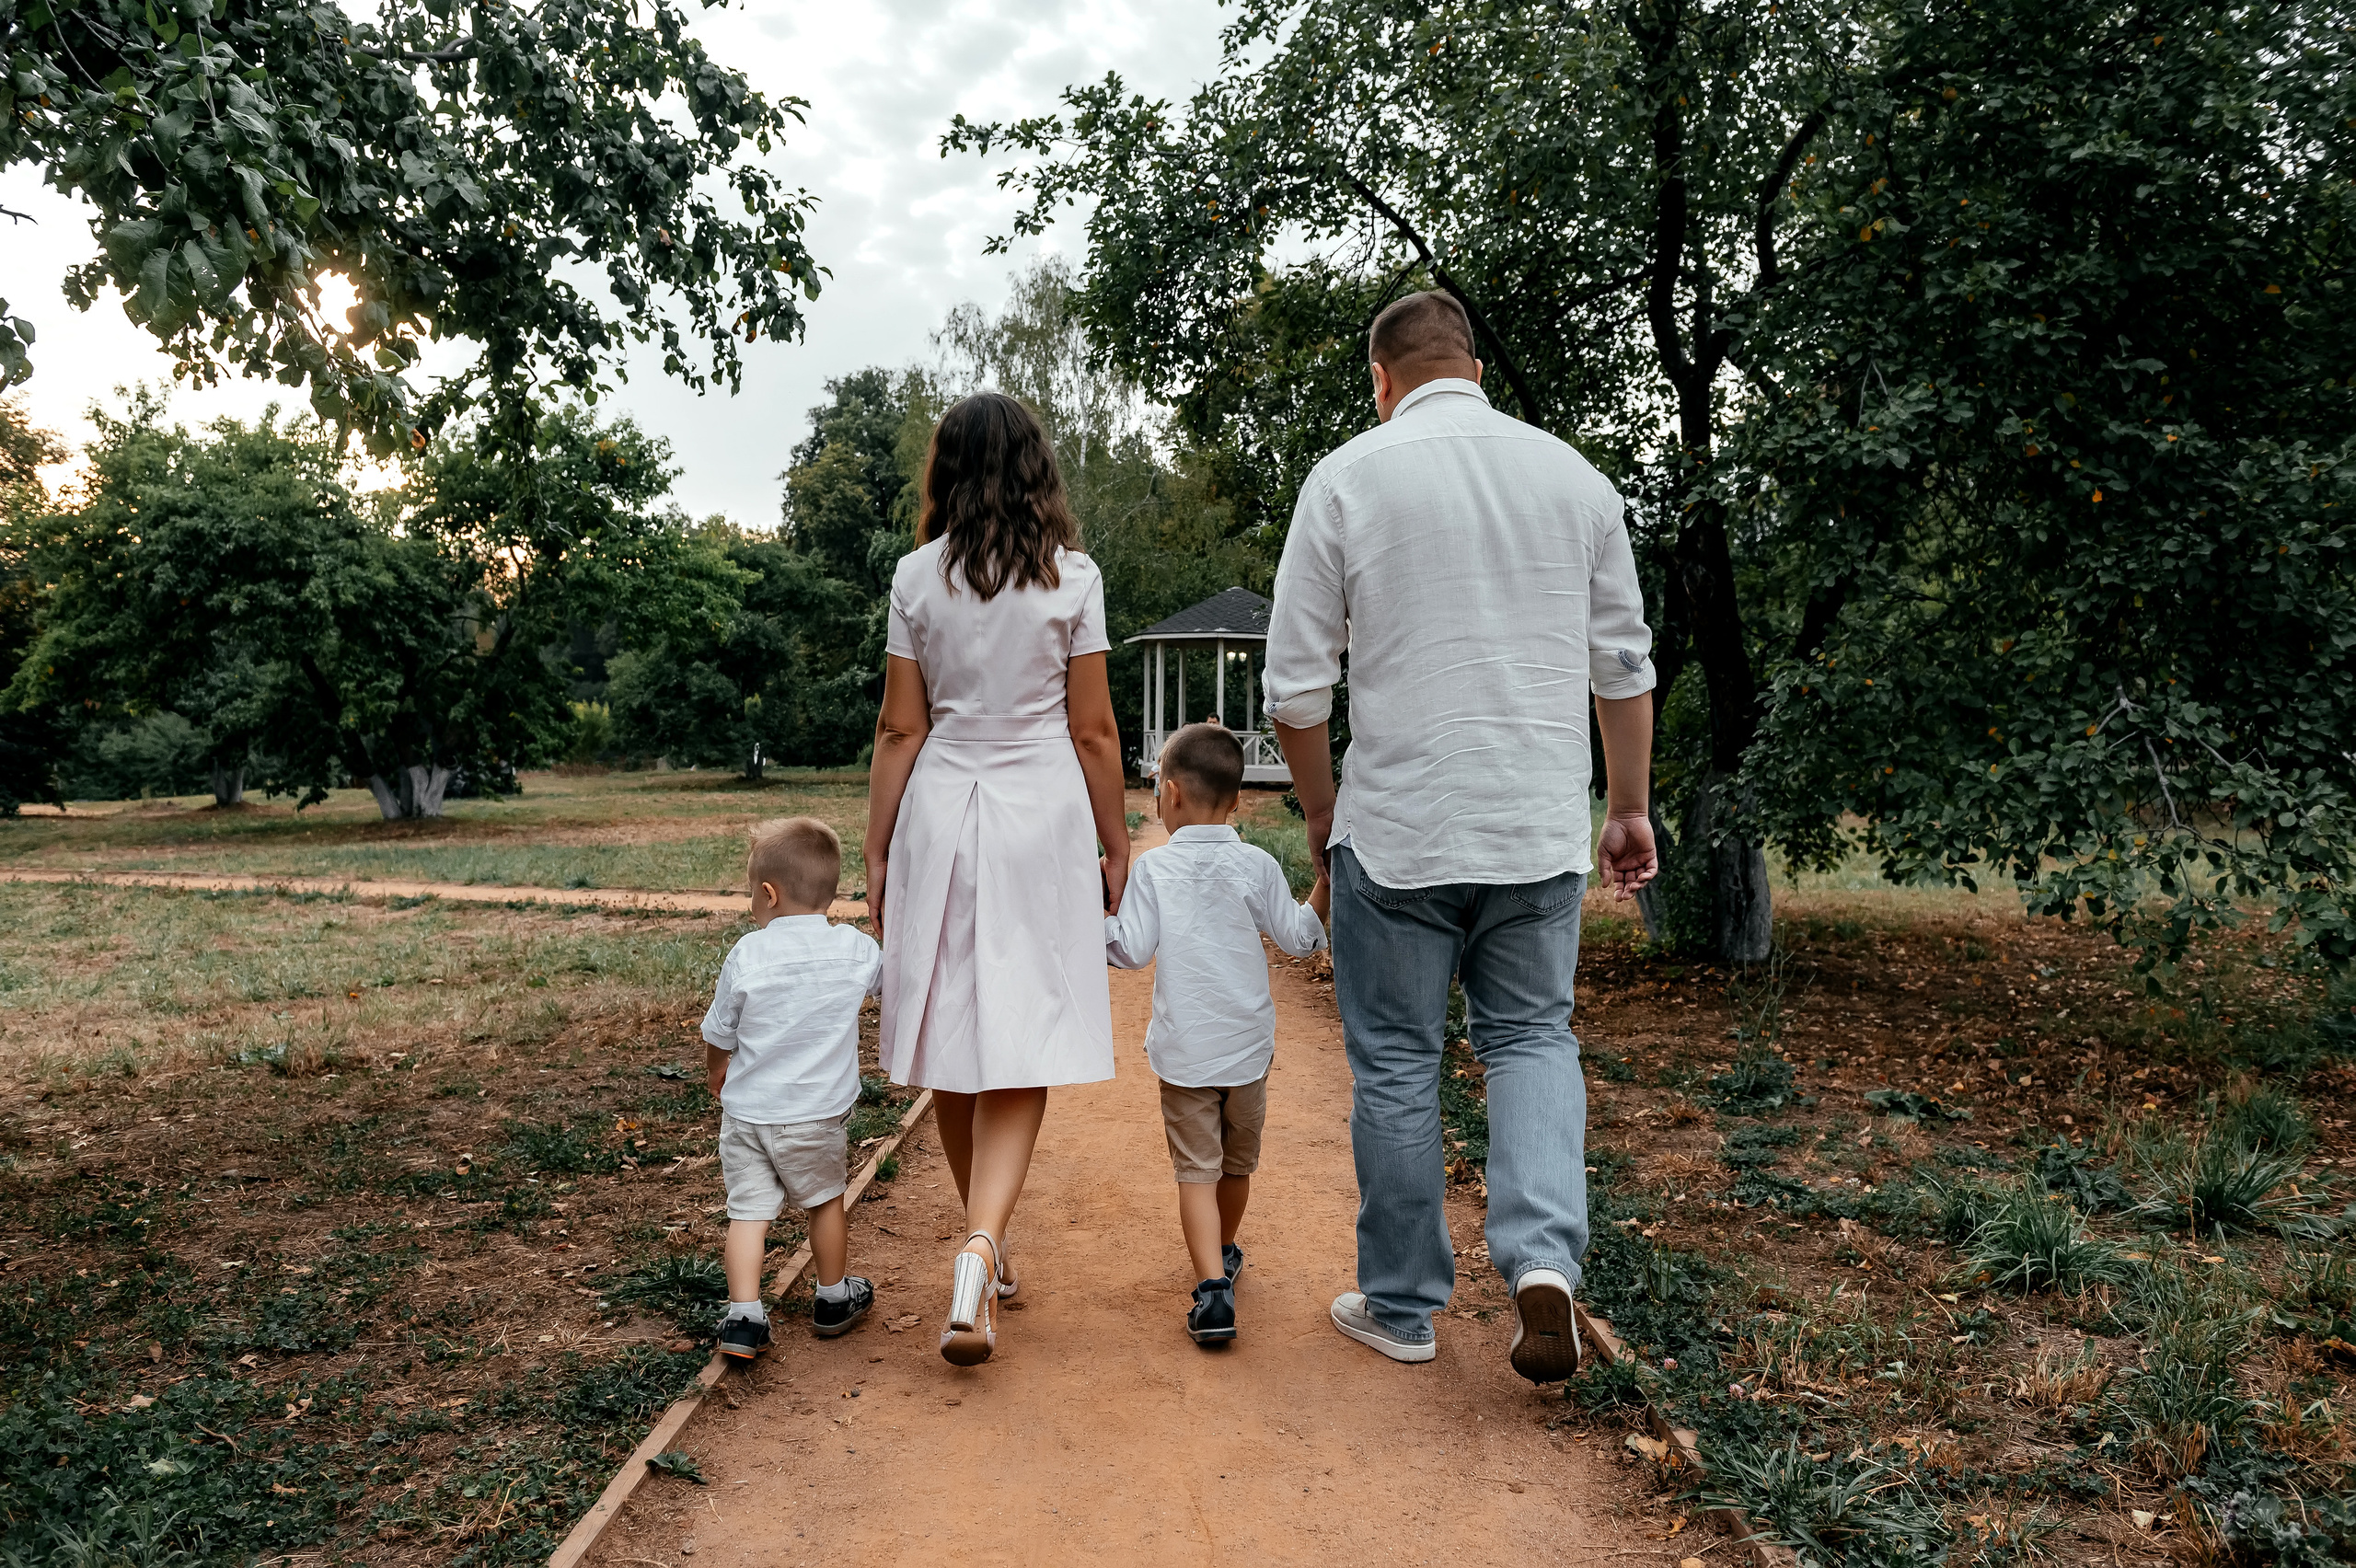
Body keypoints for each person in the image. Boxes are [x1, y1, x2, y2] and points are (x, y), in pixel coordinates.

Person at [1262, 290, 1660, 1380]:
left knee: (1397, 1059)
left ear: (1380, 381)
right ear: (1474, 369)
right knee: (1531, 1038)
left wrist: (1324, 817)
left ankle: (1401, 1307)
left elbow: (1296, 690)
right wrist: (1625, 806)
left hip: (1397, 829)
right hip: (1534, 828)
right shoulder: (1574, 479)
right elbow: (1622, 665)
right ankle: (1542, 1265)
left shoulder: (1348, 477)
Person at [864, 391, 1129, 1368]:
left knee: (952, 1028)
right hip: (1040, 814)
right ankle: (981, 1247)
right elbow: (1093, 729)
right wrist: (1115, 841)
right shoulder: (1075, 577)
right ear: (1035, 468)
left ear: (945, 469)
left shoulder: (913, 578)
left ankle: (986, 1242)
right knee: (1018, 1036)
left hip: (943, 806)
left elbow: (902, 727)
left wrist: (880, 845)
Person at [1103, 723, 1332, 1345]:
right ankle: (1224, 1251)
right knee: (1237, 1164)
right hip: (1246, 1052)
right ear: (1236, 802)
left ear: (1168, 794)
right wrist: (1326, 881)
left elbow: (1128, 952)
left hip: (1183, 1055)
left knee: (1195, 1172)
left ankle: (1212, 1291)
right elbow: (1299, 939)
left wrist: (1099, 910)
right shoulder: (1255, 866)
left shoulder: (1153, 871)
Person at [701, 817, 881, 1359]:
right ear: (831, 893)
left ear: (768, 893)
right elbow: (893, 986)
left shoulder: (747, 954)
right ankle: (831, 1298)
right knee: (825, 1202)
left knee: (748, 1213)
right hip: (817, 1116)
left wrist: (717, 1069)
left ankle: (743, 1318)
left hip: (749, 1116)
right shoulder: (854, 949)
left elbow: (719, 1029)